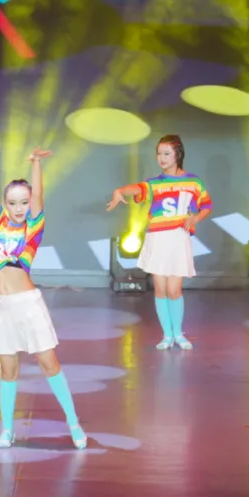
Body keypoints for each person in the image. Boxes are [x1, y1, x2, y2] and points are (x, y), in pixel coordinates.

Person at [0, 137, 87, 450]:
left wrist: (36, 164)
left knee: (50, 365)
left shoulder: (33, 227)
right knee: (8, 370)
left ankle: (73, 423)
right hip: (2, 307)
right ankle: (7, 430)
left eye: (24, 202)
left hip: (29, 305)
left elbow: (40, 195)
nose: (18, 208)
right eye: (13, 203)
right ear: (6, 205)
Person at [106, 135, 212, 350]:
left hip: (179, 239)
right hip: (158, 239)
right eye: (159, 153)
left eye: (167, 153)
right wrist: (120, 191)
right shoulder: (154, 183)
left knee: (174, 290)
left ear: (177, 154)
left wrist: (195, 218)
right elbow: (137, 189)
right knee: (160, 290)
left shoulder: (193, 182)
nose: (161, 158)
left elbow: (206, 206)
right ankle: (167, 336)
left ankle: (178, 334)